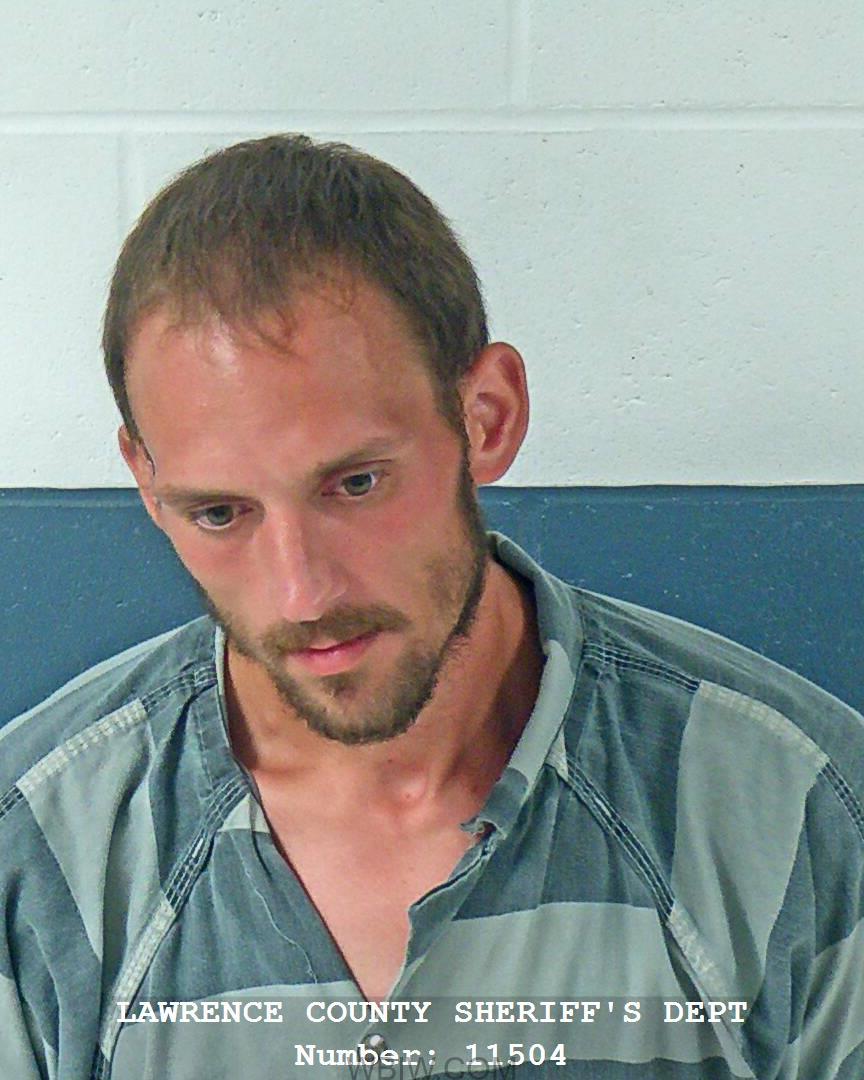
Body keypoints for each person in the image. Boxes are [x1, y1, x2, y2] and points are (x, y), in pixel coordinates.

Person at [1, 135, 862, 1080]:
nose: (302, 593)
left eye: (356, 483)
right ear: (146, 480)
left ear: (486, 417)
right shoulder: (35, 849)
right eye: (220, 513)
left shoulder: (802, 809)